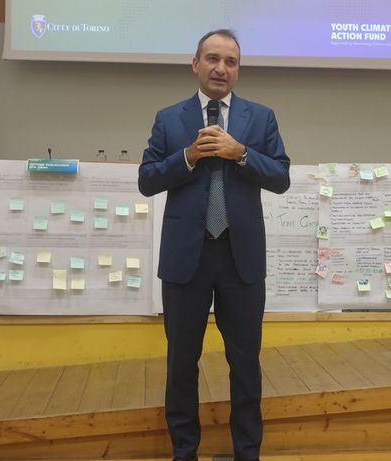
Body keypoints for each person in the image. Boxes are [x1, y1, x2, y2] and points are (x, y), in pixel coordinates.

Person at [138, 29, 290, 461]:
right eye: (212, 58)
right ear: (195, 64)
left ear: (238, 70)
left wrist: (241, 153)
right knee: (181, 364)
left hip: (241, 261)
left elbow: (281, 177)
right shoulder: (169, 119)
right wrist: (188, 156)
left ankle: (248, 453)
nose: (221, 68)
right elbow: (146, 180)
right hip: (186, 260)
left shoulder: (261, 118)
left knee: (245, 365)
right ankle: (184, 452)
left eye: (231, 61)